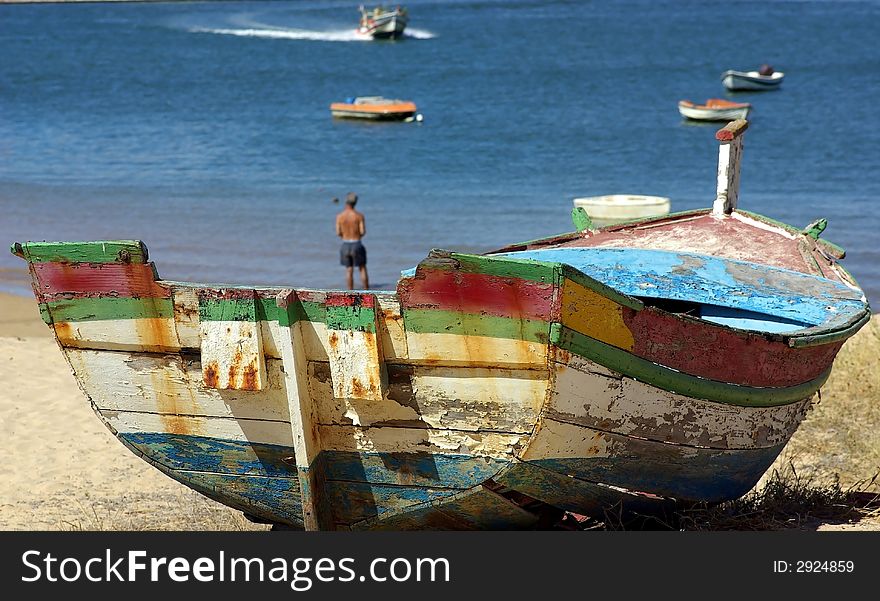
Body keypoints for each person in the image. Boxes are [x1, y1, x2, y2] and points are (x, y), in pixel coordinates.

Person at [336, 192, 369, 290]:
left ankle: (350, 292)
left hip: (345, 244)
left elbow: (338, 232)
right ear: (355, 203)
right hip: (357, 243)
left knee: (349, 270)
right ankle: (367, 290)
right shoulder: (359, 216)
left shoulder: (340, 216)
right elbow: (363, 231)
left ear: (346, 202)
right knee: (362, 268)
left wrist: (344, 236)